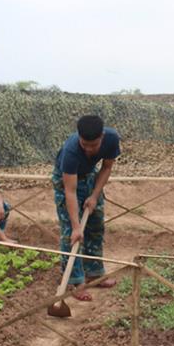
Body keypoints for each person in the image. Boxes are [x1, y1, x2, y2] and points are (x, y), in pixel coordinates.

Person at [52, 115, 120, 301]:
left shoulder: (112, 139)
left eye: (94, 145)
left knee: (96, 224)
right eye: (85, 144)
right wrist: (75, 227)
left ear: (102, 136)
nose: (89, 149)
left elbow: (106, 168)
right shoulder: (71, 151)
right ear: (79, 138)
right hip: (66, 181)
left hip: (90, 176)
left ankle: (94, 273)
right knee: (70, 235)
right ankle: (75, 282)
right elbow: (70, 191)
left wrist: (94, 195)